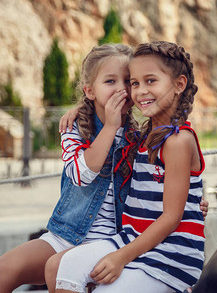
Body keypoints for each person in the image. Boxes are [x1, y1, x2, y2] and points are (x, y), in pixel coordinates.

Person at [0, 43, 208, 293]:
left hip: (117, 236)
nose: (123, 89)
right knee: (5, 268)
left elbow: (163, 185)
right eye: (111, 81)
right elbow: (82, 174)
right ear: (90, 90)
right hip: (70, 232)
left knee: (81, 274)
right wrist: (108, 126)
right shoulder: (74, 128)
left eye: (127, 81)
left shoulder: (139, 136)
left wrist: (192, 204)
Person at [47, 41, 206, 293]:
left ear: (179, 84)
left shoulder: (177, 141)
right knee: (63, 266)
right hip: (133, 237)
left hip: (170, 254)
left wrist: (120, 257)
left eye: (150, 81)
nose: (140, 91)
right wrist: (84, 106)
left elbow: (171, 217)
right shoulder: (144, 136)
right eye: (135, 83)